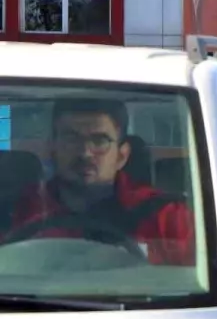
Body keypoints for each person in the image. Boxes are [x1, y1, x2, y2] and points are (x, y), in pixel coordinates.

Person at [6, 98, 194, 265]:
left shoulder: (167, 218)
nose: (85, 153)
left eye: (99, 140)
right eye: (71, 138)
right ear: (51, 149)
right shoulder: (12, 213)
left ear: (122, 155)